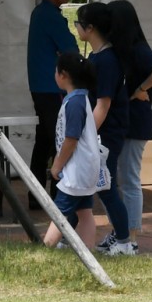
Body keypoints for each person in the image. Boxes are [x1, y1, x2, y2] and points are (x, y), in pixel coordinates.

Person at [107, 0, 152, 243]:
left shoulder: (136, 48)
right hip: (126, 121)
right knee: (120, 179)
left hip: (136, 121)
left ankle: (130, 236)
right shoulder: (122, 49)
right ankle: (121, 232)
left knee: (129, 179)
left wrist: (141, 88)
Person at [78, 2, 134, 256]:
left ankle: (124, 241)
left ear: (90, 28)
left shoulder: (107, 60)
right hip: (100, 133)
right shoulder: (97, 57)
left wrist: (86, 137)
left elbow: (103, 104)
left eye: (78, 23)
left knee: (106, 187)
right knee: (93, 187)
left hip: (106, 135)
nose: (77, 28)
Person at [27, 0, 77, 208]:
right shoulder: (50, 16)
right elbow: (70, 48)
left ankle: (37, 197)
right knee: (59, 141)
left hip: (40, 86)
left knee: (44, 142)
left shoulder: (40, 13)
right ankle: (59, 196)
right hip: (51, 87)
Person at [42, 52, 101, 250]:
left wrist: (57, 165)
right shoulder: (80, 99)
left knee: (60, 212)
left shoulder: (75, 103)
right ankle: (88, 250)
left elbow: (71, 139)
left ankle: (46, 248)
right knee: (84, 212)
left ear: (64, 75)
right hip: (86, 169)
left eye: (56, 71)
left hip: (77, 170)